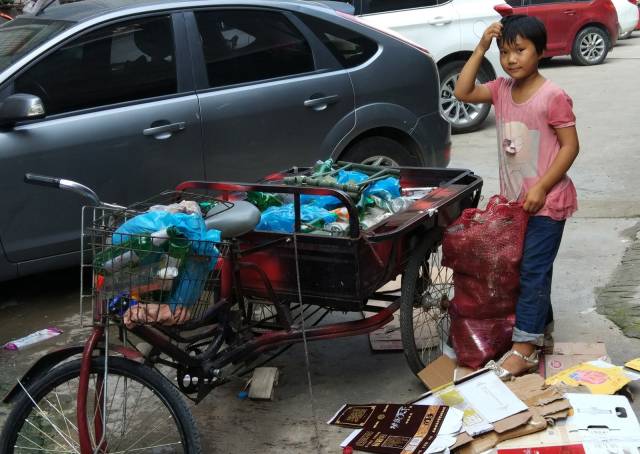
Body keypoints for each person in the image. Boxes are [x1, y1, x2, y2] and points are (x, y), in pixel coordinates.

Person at [454, 15, 580, 379]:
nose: (512, 59)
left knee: (532, 269)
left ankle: (524, 348)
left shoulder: (553, 96)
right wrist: (480, 47)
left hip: (547, 201)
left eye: (520, 50)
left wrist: (541, 187)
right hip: (516, 203)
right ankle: (542, 326)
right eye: (505, 52)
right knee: (527, 266)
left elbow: (570, 147)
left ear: (539, 51)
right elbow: (462, 92)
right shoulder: (499, 90)